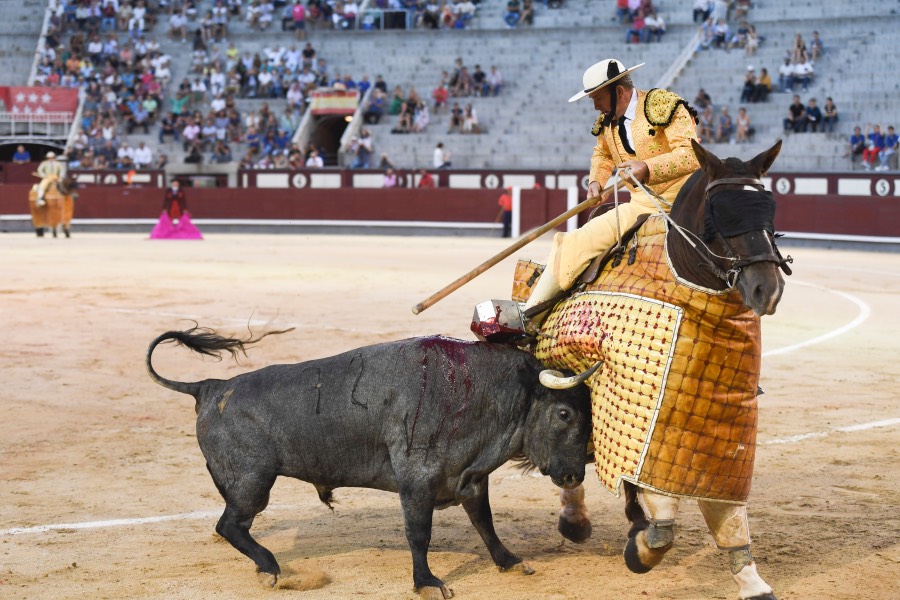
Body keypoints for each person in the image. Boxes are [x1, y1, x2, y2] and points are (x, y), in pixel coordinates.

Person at [523, 58, 699, 316]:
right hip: (641, 204)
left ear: (619, 91)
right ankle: (531, 315)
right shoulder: (608, 122)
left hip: (687, 200)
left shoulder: (663, 105)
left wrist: (648, 168)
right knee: (575, 242)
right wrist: (596, 181)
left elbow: (691, 154)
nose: (595, 106)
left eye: (598, 98)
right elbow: (603, 155)